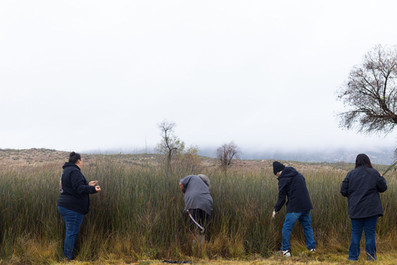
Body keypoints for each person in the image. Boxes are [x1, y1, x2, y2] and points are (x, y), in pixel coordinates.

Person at [340, 153, 387, 261]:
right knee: (370, 234)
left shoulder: (351, 174)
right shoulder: (374, 173)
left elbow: (343, 190)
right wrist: (381, 178)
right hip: (372, 210)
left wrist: (352, 196)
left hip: (356, 209)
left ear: (357, 162)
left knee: (355, 234)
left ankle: (352, 257)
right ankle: (371, 257)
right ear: (368, 161)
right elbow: (383, 188)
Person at [57, 152, 101, 260]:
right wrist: (93, 189)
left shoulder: (65, 171)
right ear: (79, 161)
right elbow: (79, 188)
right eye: (82, 161)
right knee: (71, 233)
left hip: (64, 205)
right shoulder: (75, 171)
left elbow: (67, 187)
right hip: (72, 208)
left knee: (70, 232)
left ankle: (67, 256)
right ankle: (67, 258)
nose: (82, 163)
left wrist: (88, 184)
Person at [272, 161, 316, 257]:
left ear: (278, 172)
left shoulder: (283, 179)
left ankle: (285, 251)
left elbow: (282, 198)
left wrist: (276, 210)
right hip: (306, 205)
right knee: (307, 227)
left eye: (276, 175)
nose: (277, 177)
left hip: (295, 207)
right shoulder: (298, 175)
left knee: (286, 228)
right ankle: (312, 249)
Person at [179, 174, 213, 243]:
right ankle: (201, 247)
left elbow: (181, 184)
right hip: (208, 204)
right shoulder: (204, 186)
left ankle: (192, 247)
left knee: (191, 227)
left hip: (195, 203)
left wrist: (184, 193)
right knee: (202, 227)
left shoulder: (192, 177)